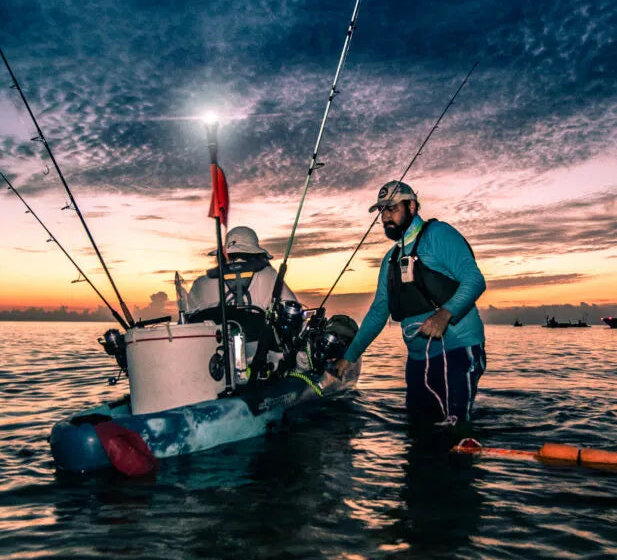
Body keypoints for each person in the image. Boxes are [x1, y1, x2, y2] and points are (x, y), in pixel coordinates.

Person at [333, 180, 486, 424]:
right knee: (418, 431)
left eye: (391, 209)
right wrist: (349, 357)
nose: (385, 218)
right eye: (382, 211)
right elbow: (378, 312)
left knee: (453, 429)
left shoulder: (438, 235)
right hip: (417, 360)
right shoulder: (391, 259)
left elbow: (475, 280)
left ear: (412, 206)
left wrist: (445, 314)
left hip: (456, 349)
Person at [187, 225, 295, 313]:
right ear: (256, 253)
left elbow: (189, 317)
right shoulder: (270, 275)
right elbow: (291, 309)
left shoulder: (200, 283)